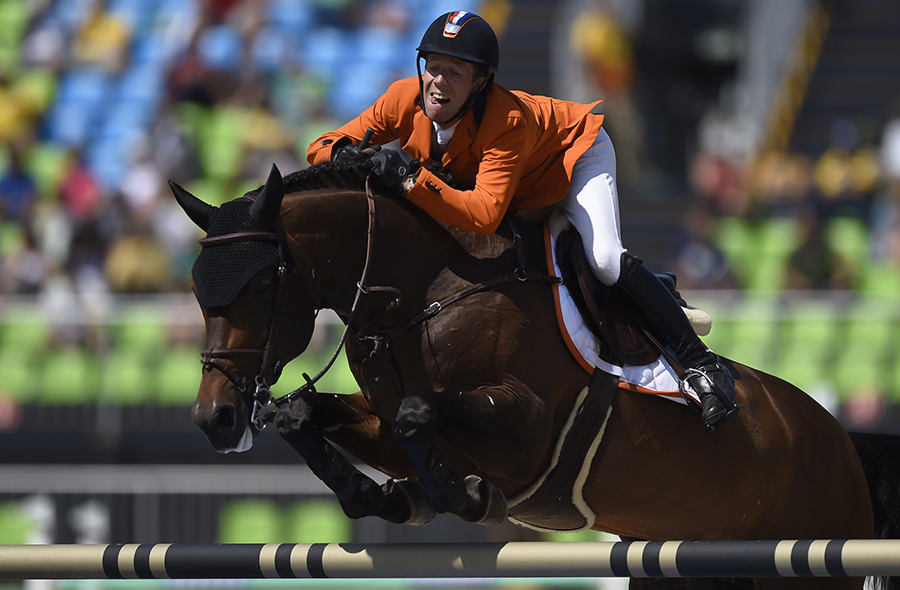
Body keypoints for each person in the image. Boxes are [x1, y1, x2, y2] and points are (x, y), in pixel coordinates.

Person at [307, 11, 737, 430]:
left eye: (454, 73)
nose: (437, 81)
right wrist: (345, 156)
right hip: (518, 185)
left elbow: (483, 213)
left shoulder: (505, 119)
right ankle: (654, 288)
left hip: (573, 157)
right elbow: (321, 145)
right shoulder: (405, 97)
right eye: (433, 67)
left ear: (481, 82)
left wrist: (411, 178)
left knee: (604, 259)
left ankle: (702, 364)